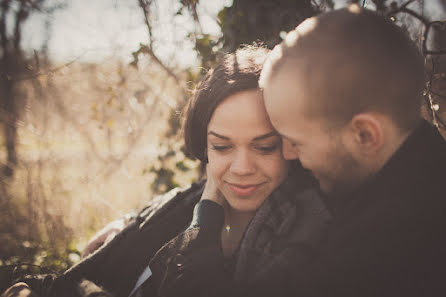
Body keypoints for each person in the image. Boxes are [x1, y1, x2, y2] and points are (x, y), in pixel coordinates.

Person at [2, 45, 328, 297]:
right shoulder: (177, 204)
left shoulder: (308, 233)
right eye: (222, 146)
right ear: (204, 147)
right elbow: (71, 281)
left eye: (264, 146)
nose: (241, 168)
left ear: (291, 146)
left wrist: (207, 219)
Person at [258, 4, 446, 296]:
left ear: (365, 134)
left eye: (295, 141)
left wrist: (203, 226)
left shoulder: (368, 261)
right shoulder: (430, 160)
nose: (287, 154)